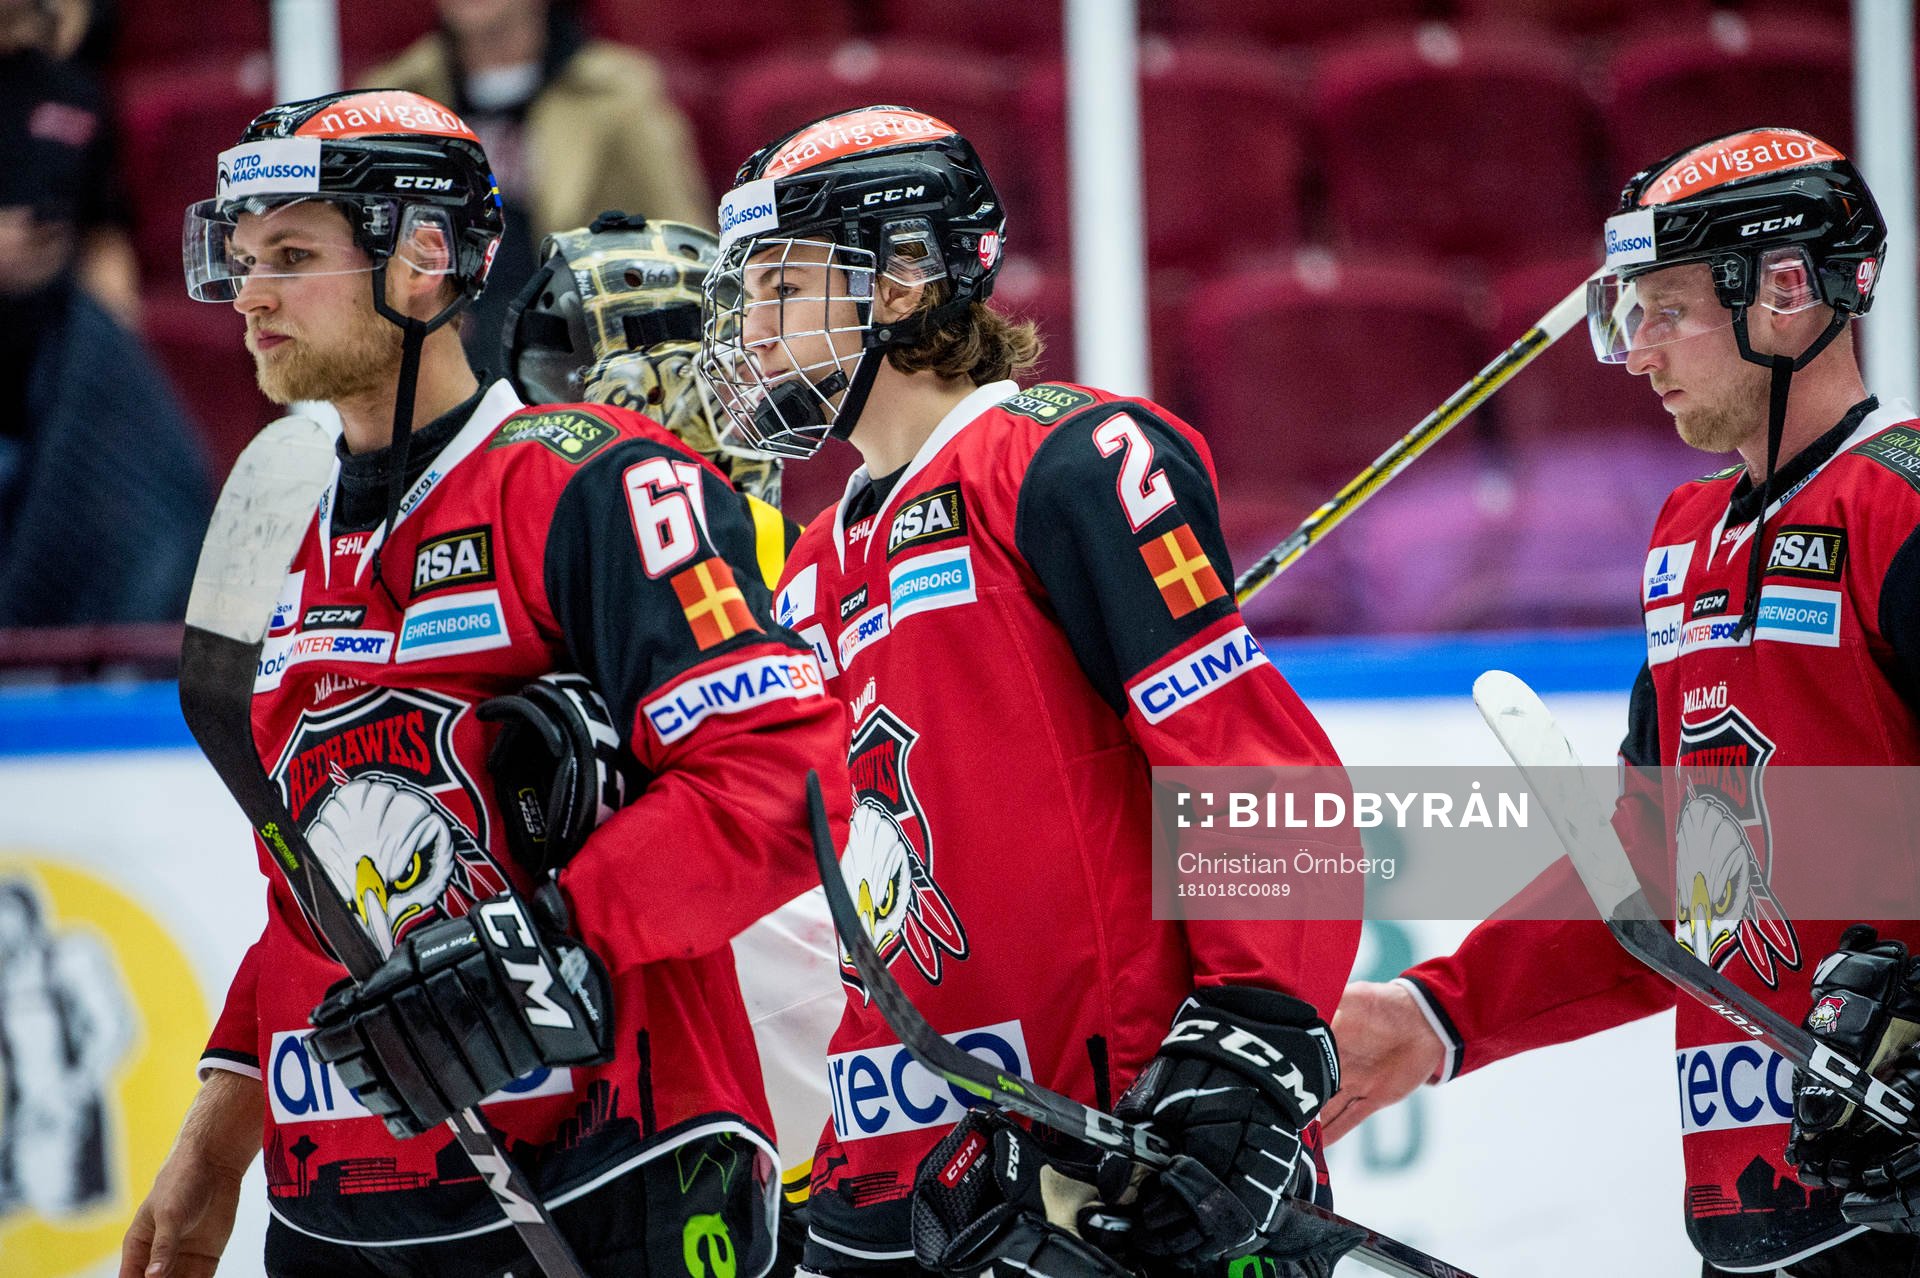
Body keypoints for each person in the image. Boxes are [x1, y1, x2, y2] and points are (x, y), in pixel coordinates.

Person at [118, 88, 849, 1278]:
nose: (249, 296)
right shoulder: (279, 529)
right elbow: (312, 887)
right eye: (241, 261)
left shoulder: (596, 488)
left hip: (609, 1178)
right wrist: (223, 1120)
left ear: (423, 258)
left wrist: (551, 938)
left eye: (292, 257)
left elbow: (780, 782)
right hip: (342, 1207)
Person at [696, 105, 1364, 1278]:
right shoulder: (808, 570)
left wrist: (1251, 1045)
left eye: (781, 288)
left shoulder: (1066, 461)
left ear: (903, 280)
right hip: (897, 1177)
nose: (751, 330)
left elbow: (1257, 770)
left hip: (1115, 1161)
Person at [1324, 127, 1920, 1277]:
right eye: (1629, 315)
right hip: (1760, 1210)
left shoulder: (1900, 511)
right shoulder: (1683, 545)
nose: (1638, 352)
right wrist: (1436, 1017)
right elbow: (1663, 874)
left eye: (1668, 312)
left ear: (1787, 292)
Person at [502, 208, 842, 1262]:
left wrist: (1259, 1007)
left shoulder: (871, 546)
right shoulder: (550, 584)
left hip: (861, 1120)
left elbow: (1233, 766)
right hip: (719, 1126)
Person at [364, 0, 710, 364]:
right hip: (432, 351)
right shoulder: (391, 97)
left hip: (575, 353)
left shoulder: (616, 94)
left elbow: (684, 247)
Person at [0, 29, 209, 627]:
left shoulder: (73, 95)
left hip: (47, 374)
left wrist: (114, 377)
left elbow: (103, 237)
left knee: (156, 477)